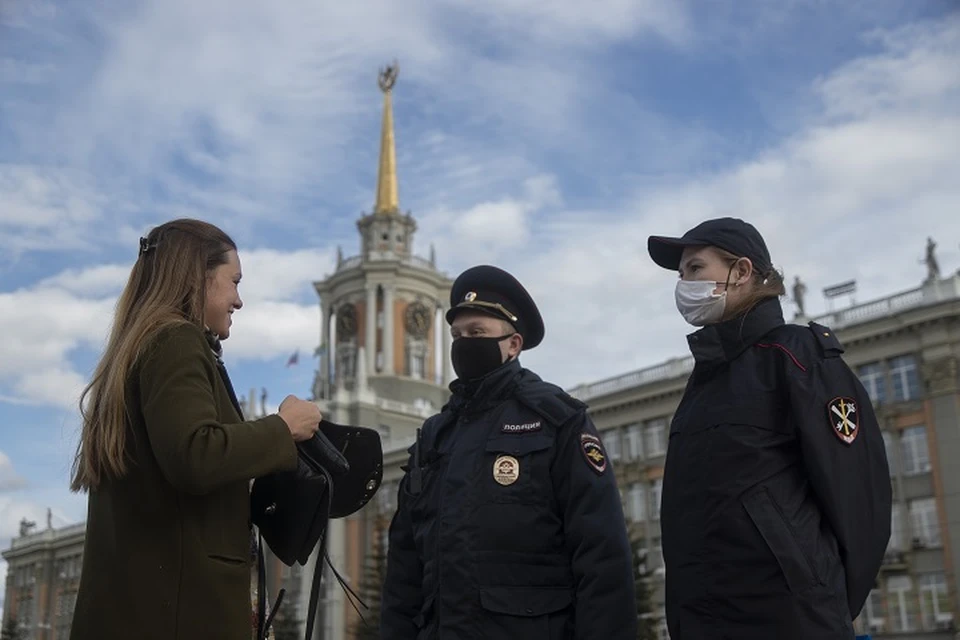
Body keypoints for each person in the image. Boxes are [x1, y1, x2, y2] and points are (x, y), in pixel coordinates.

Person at [69, 219, 323, 640]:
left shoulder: (136, 349)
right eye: (234, 281)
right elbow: (194, 455)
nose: (239, 300)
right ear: (199, 279)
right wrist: (284, 429)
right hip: (181, 615)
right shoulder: (176, 341)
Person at [647, 217, 892, 639]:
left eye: (694, 269)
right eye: (682, 274)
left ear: (740, 272)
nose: (683, 284)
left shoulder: (797, 356)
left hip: (787, 619)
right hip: (706, 620)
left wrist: (823, 601)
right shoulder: (705, 378)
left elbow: (859, 498)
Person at [380, 265, 636, 640]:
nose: (464, 343)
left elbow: (601, 553)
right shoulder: (435, 437)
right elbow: (404, 569)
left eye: (478, 333)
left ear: (513, 345)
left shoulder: (555, 419)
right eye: (457, 335)